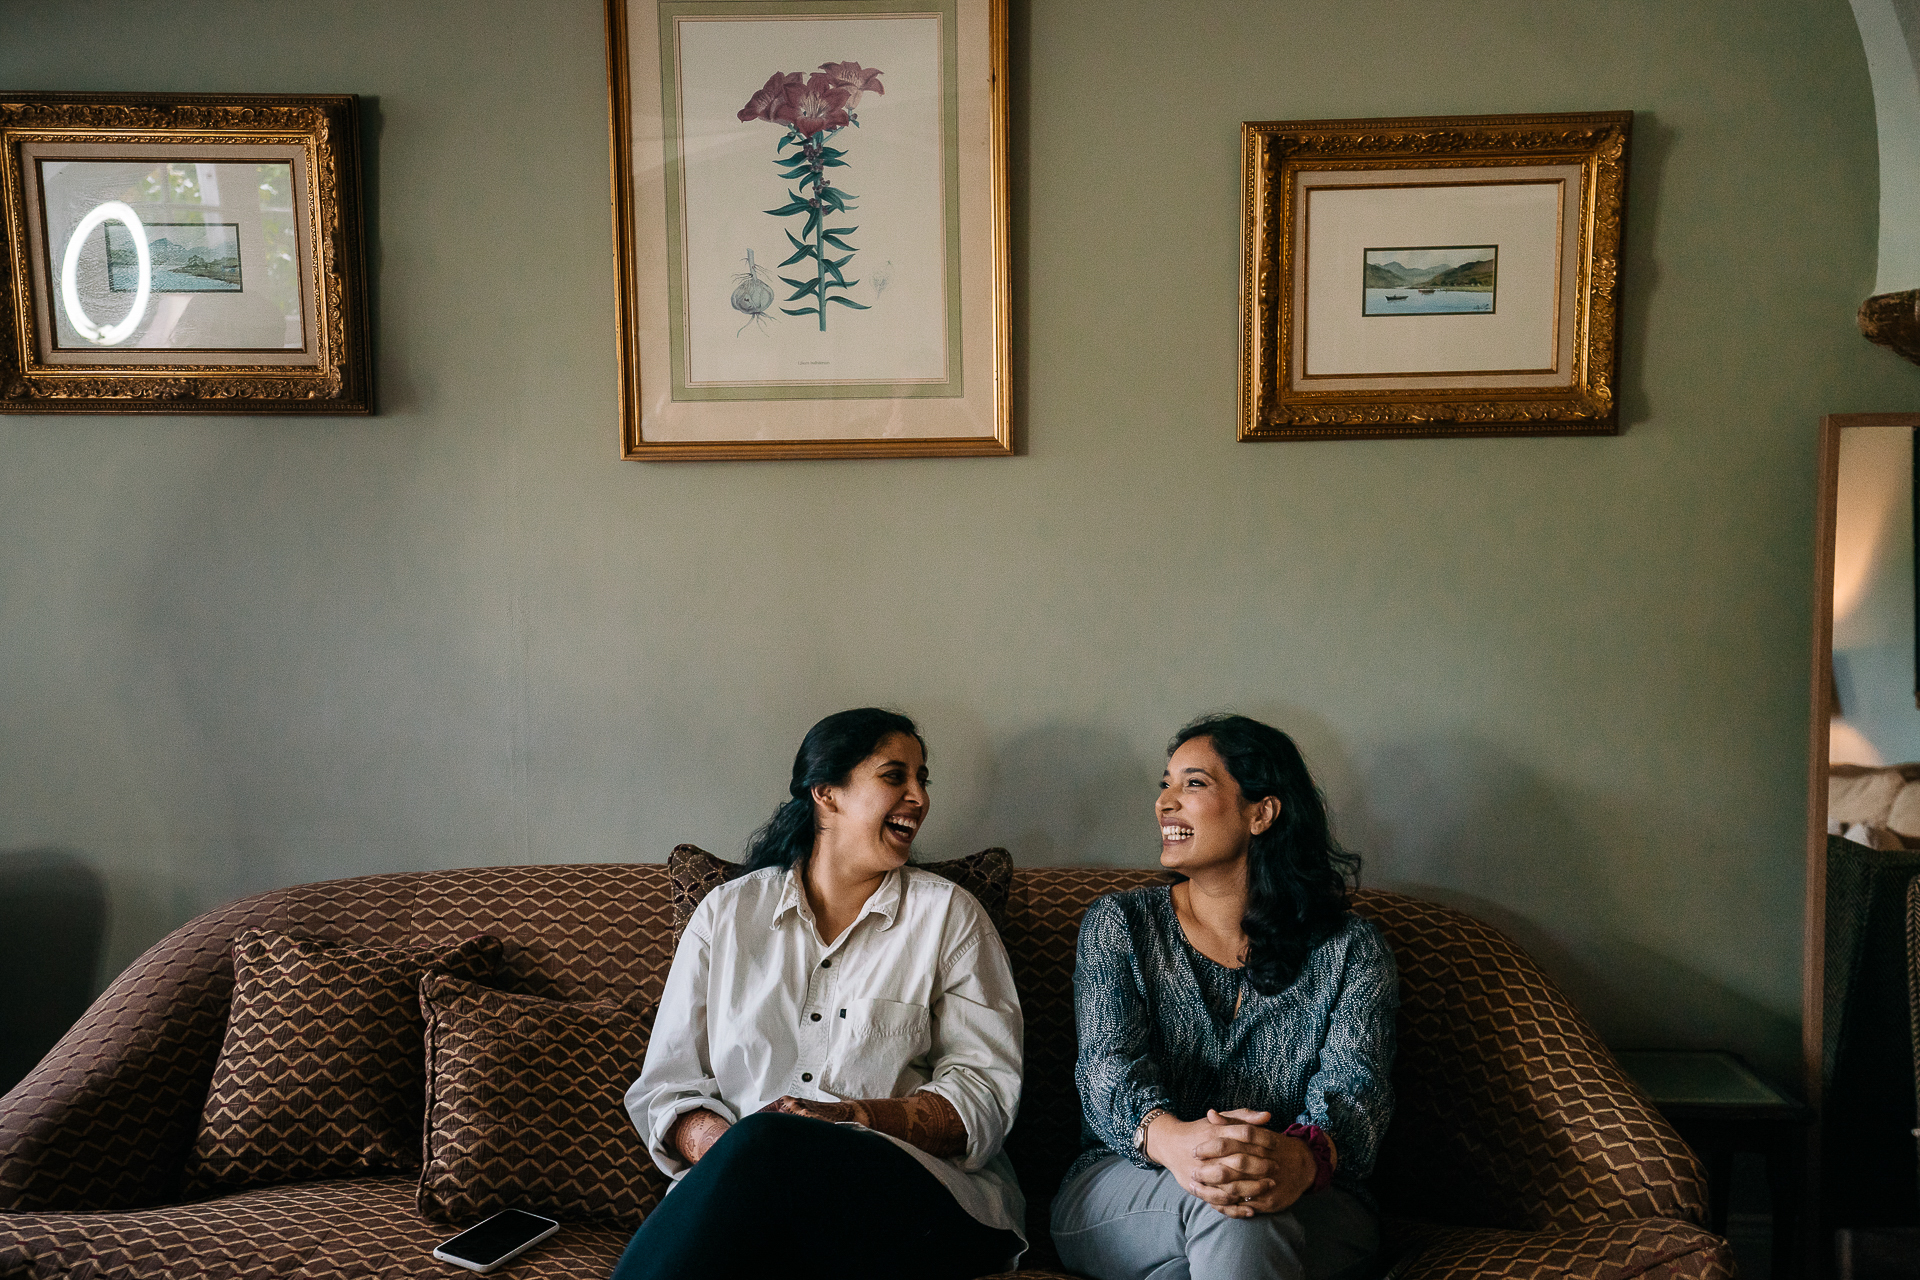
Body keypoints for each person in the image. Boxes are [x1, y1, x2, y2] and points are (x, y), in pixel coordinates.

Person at [616, 708, 1026, 1280]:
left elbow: (984, 1094)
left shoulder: (949, 916)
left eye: (922, 779)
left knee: (774, 1146)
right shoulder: (727, 915)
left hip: (917, 1197)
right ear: (826, 792)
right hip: (750, 1199)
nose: (920, 798)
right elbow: (668, 1087)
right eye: (894, 776)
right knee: (768, 1156)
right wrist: (733, 1153)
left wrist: (853, 1118)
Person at [1051, 713, 1397, 1280]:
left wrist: (1301, 1158)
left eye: (1192, 783)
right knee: (1238, 1211)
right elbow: (1106, 1072)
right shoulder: (1121, 925)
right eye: (1165, 784)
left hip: (1315, 1196)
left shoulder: (1349, 949)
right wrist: (1177, 1143)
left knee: (1239, 1216)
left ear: (1262, 812)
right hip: (1127, 1182)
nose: (1165, 803)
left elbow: (1358, 1097)